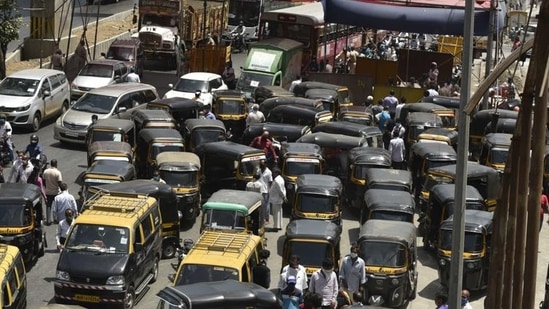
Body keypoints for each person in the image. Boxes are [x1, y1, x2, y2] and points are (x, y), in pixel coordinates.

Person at [43, 159, 63, 225]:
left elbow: (43, 181)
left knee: (48, 206)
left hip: (48, 191)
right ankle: (55, 219)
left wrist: (46, 187)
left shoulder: (46, 171)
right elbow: (59, 182)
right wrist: (63, 189)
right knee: (56, 206)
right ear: (56, 164)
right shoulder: (57, 172)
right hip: (56, 192)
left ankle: (48, 220)